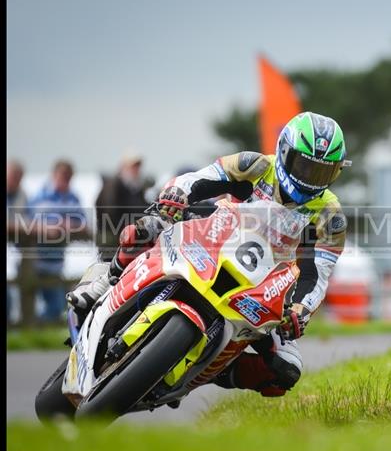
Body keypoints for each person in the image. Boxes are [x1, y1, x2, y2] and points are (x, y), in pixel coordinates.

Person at [67, 111, 351, 398]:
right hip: (213, 237)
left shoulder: (331, 216)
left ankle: (213, 370)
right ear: (284, 151)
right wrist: (177, 193)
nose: (309, 179)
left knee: (286, 370)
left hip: (265, 285)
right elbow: (200, 179)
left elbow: (318, 274)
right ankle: (107, 280)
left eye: (321, 173)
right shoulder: (254, 165)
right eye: (303, 167)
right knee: (148, 226)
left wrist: (301, 308)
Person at [28, 159, 87, 321]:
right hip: (35, 260)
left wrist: (69, 225)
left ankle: (37, 330)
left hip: (57, 262)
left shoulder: (72, 198)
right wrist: (49, 227)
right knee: (36, 302)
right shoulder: (40, 195)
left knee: (56, 306)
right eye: (63, 176)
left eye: (68, 177)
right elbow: (29, 222)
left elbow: (83, 224)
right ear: (54, 175)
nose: (65, 180)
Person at [94, 151, 152, 261]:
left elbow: (144, 210)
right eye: (133, 166)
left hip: (130, 239)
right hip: (112, 240)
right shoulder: (113, 186)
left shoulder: (137, 188)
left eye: (138, 166)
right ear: (123, 167)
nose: (136, 170)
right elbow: (110, 214)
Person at [7, 160, 29, 322]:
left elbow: (26, 220)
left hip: (13, 251)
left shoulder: (22, 195)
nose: (16, 180)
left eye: (19, 177)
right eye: (13, 176)